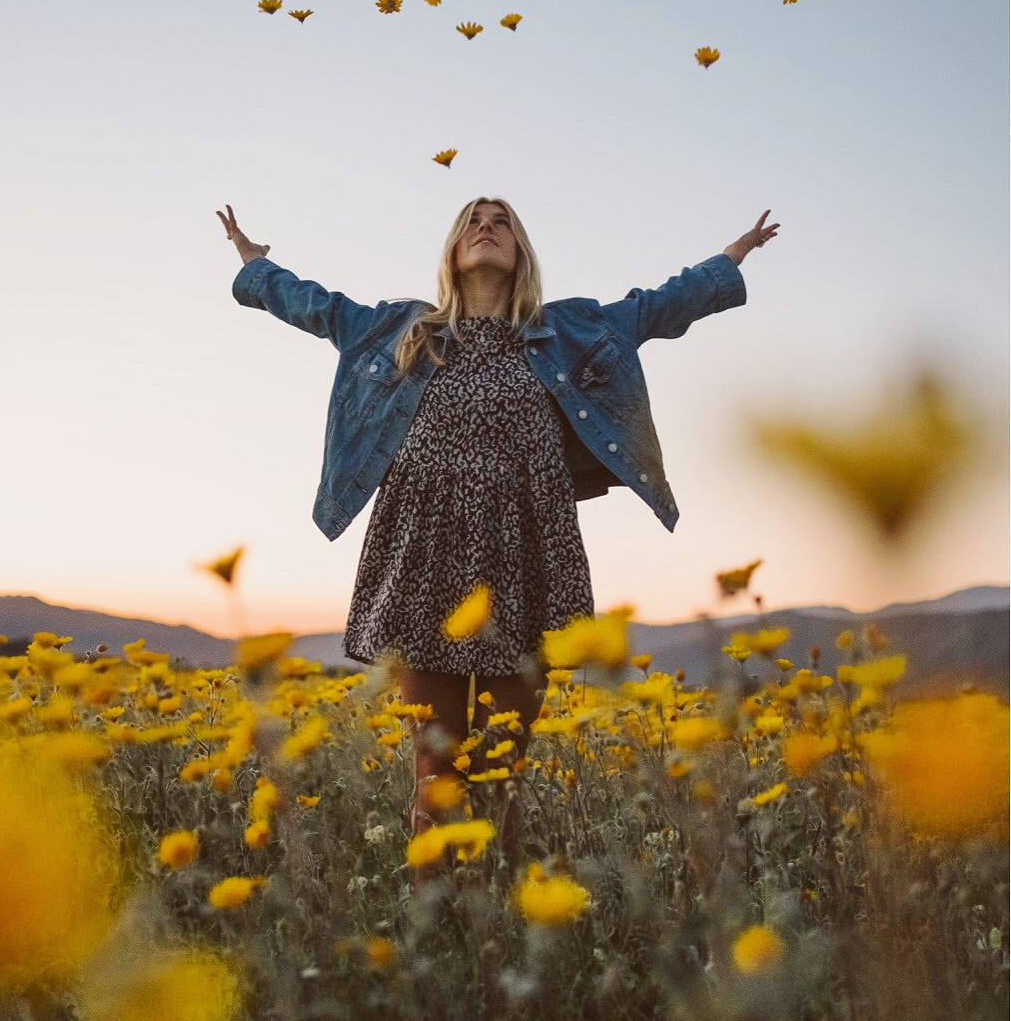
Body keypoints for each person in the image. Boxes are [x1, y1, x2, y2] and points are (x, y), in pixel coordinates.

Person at [217, 197, 779, 880]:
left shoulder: (570, 330)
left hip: (527, 552)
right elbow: (319, 307)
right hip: (425, 555)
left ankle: (497, 932)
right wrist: (255, 266)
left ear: (520, 252)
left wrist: (731, 259)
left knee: (501, 765)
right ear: (453, 251)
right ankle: (433, 924)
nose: (487, 227)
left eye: (502, 221)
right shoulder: (402, 329)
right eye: (473, 221)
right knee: (437, 767)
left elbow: (658, 306)